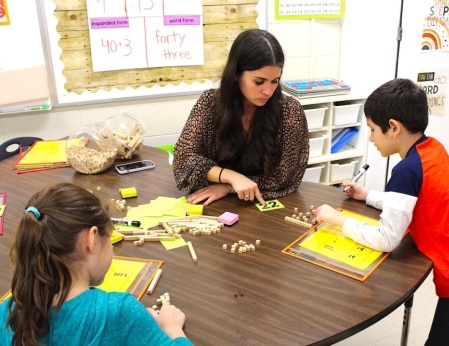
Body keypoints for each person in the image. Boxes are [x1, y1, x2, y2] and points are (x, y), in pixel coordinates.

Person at [314, 78, 449, 345]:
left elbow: (386, 239)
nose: (370, 139)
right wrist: (368, 195)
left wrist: (337, 218)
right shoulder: (431, 149)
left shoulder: (406, 170)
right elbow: (415, 200)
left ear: (393, 127)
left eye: (371, 130)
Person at [0, 183, 193, 346]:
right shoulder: (119, 312)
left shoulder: (6, 312)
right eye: (109, 237)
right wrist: (173, 329)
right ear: (91, 239)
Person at [173, 29, 309, 206]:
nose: (268, 91)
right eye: (259, 82)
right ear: (236, 74)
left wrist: (228, 187)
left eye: (275, 81)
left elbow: (287, 176)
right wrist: (230, 177)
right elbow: (183, 160)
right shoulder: (210, 103)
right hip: (215, 205)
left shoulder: (290, 111)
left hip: (263, 203)